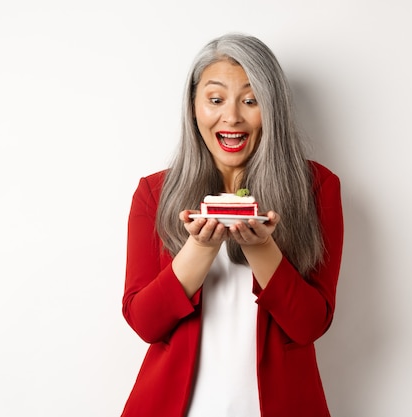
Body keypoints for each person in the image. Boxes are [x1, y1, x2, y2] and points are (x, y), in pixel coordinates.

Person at [121, 33, 344, 417]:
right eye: (216, 99)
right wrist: (201, 248)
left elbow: (309, 324)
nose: (232, 117)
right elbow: (145, 323)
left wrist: (260, 246)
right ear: (194, 107)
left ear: (272, 109)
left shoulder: (317, 188)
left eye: (250, 100)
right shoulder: (154, 193)